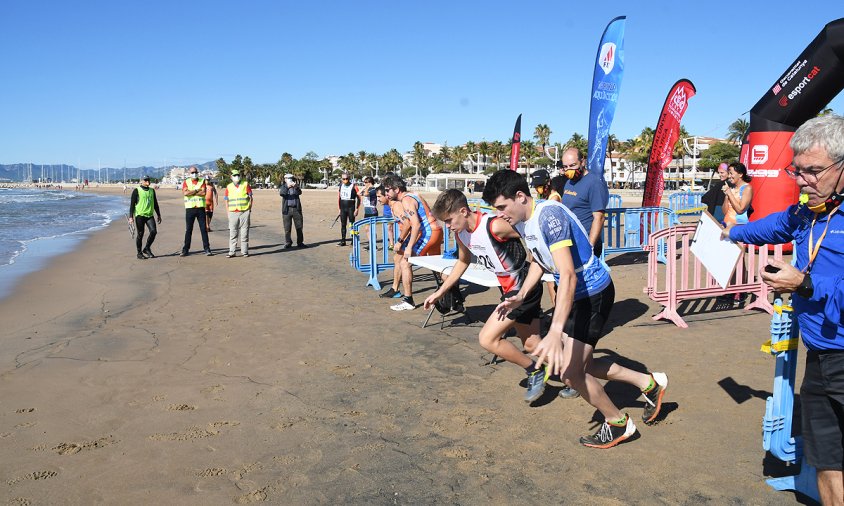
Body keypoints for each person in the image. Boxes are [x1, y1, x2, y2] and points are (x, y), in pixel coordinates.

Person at [483, 169, 668, 448]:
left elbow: (568, 275)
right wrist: (521, 295)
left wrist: (555, 330)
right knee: (583, 365)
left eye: (501, 207)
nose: (500, 215)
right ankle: (648, 383)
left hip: (593, 293)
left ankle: (618, 423)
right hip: (576, 296)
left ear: (520, 196)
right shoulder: (523, 219)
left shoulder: (550, 216)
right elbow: (539, 261)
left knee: (570, 372)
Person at [723, 115, 844, 503]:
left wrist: (804, 284)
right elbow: (773, 226)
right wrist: (730, 233)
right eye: (797, 170)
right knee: (827, 458)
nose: (803, 180)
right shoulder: (808, 211)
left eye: (814, 171)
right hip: (820, 356)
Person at [426, 189, 562, 402]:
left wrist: (549, 259)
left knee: (488, 338)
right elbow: (463, 262)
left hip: (523, 287)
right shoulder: (460, 233)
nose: (448, 226)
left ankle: (534, 371)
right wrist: (440, 291)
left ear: (463, 211)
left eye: (450, 220)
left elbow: (531, 230)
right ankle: (575, 374)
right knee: (532, 345)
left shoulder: (494, 225)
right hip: (508, 289)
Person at [383, 174, 443, 311]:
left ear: (397, 189)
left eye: (388, 190)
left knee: (405, 262)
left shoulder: (406, 200)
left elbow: (414, 225)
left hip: (429, 233)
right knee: (437, 265)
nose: (386, 194)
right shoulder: (415, 195)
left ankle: (408, 300)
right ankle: (449, 292)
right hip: (437, 230)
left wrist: (409, 246)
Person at [560, 148, 609, 257]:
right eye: (565, 167)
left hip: (585, 243)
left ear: (583, 162)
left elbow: (599, 218)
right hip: (569, 241)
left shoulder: (594, 183)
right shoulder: (569, 182)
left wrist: (589, 246)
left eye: (572, 165)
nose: (569, 170)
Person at [377, 184, 406, 299]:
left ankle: (404, 295)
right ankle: (395, 289)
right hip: (412, 235)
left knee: (403, 263)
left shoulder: (396, 206)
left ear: (387, 196)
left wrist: (400, 241)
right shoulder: (393, 205)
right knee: (397, 259)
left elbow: (407, 223)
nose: (378, 199)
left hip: (417, 236)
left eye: (379, 196)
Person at [128, 175, 161, 259]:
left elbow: (155, 204)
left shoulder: (152, 191)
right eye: (146, 180)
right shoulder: (136, 191)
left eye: (148, 180)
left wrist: (159, 215)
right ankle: (139, 253)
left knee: (153, 231)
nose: (148, 182)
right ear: (142, 181)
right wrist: (131, 217)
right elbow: (132, 205)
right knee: (140, 234)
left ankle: (146, 248)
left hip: (149, 215)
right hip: (140, 215)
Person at [181, 167, 212, 256]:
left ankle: (207, 248)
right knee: (188, 230)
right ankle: (185, 249)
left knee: (203, 229)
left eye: (195, 172)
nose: (194, 174)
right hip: (190, 208)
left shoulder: (202, 181)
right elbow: (185, 193)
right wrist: (196, 190)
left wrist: (191, 192)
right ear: (189, 173)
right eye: (192, 172)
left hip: (200, 208)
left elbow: (203, 193)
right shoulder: (186, 182)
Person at [224, 170, 253, 258]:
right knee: (233, 233)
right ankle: (232, 251)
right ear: (231, 177)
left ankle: (244, 251)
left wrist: (249, 209)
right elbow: (226, 200)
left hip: (244, 212)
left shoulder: (245, 184)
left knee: (245, 233)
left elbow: (251, 197)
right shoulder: (229, 187)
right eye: (235, 175)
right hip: (232, 212)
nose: (236, 177)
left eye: (238, 175)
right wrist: (228, 212)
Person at [722, 162, 754, 226]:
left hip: (739, 226)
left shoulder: (747, 188)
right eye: (728, 173)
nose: (729, 176)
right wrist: (727, 196)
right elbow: (725, 212)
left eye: (731, 173)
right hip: (727, 224)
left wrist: (730, 193)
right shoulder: (731, 189)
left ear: (740, 174)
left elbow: (740, 210)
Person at [279, 173, 306, 249]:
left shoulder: (295, 186)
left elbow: (299, 192)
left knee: (299, 227)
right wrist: (288, 187)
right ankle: (288, 242)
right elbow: (282, 193)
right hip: (286, 210)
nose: (289, 180)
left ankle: (300, 242)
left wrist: (296, 187)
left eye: (290, 178)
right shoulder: (283, 186)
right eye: (288, 178)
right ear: (285, 179)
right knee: (287, 228)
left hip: (296, 209)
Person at [337, 172, 360, 246]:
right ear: (341, 179)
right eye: (343, 179)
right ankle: (343, 240)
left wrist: (357, 209)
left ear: (349, 178)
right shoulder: (341, 185)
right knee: (343, 224)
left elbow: (359, 198)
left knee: (352, 224)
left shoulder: (353, 186)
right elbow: (339, 198)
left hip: (351, 207)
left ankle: (353, 240)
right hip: (343, 207)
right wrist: (339, 208)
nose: (345, 180)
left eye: (347, 178)